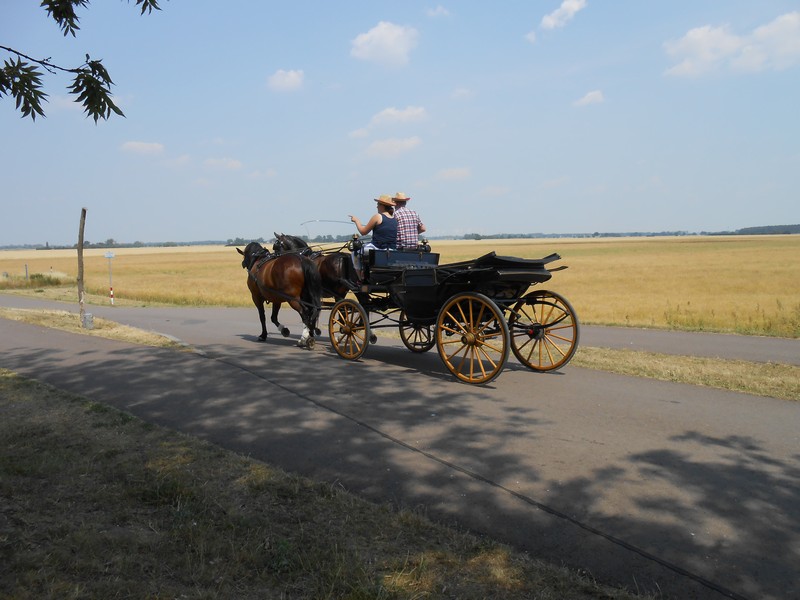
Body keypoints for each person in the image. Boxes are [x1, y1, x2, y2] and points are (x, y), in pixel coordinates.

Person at [348, 194, 397, 278]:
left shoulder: (378, 217)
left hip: (377, 248)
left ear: (382, 206)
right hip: (392, 249)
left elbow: (363, 232)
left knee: (354, 253)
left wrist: (356, 221)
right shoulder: (394, 218)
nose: (377, 207)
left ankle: (360, 278)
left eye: (378, 205)